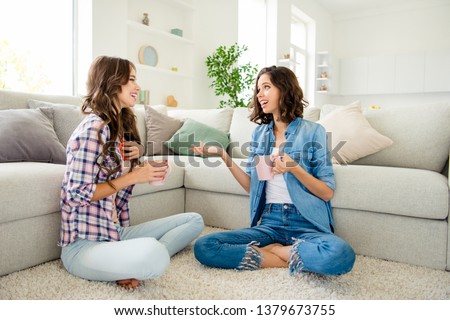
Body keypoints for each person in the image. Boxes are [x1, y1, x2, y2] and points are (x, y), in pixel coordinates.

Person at [192, 66, 355, 275]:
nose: (259, 94)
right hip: (270, 223)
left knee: (340, 254)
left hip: (306, 224)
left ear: (284, 89)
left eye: (266, 87)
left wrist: (293, 168)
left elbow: (326, 192)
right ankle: (291, 255)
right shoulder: (260, 134)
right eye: (258, 89)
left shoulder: (313, 131)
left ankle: (274, 252)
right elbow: (254, 187)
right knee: (205, 246)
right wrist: (224, 156)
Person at [59, 56, 204, 289]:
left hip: (114, 232)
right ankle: (132, 261)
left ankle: (128, 263)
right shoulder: (92, 130)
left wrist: (138, 158)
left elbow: (117, 180)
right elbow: (75, 194)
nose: (137, 87)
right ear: (112, 82)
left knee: (194, 220)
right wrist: (133, 177)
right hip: (84, 246)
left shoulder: (115, 130)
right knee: (153, 254)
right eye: (132, 80)